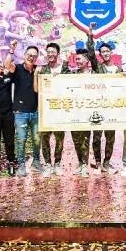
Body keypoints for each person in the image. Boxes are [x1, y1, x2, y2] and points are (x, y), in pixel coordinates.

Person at [4, 40, 41, 177]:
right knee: (21, 140)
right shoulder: (18, 68)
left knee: (37, 139)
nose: (31, 57)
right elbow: (7, 65)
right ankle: (21, 165)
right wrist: (11, 50)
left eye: (34, 56)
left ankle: (36, 162)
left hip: (36, 111)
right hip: (20, 112)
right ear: (25, 55)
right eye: (29, 54)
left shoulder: (38, 70)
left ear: (37, 57)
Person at [35, 42, 70, 176]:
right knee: (45, 138)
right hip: (45, 110)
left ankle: (57, 164)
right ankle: (48, 165)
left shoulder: (65, 69)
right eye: (48, 52)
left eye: (53, 52)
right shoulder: (42, 69)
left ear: (58, 53)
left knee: (60, 138)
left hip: (60, 110)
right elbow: (37, 89)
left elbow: (71, 85)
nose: (50, 54)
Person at [69, 25, 99, 177]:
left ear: (87, 60)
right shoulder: (72, 75)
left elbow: (92, 53)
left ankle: (85, 165)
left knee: (86, 138)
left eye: (79, 59)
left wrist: (90, 35)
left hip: (90, 111)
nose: (77, 62)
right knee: (76, 139)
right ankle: (80, 163)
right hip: (75, 111)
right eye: (76, 60)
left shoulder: (95, 73)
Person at [92, 42, 121, 174]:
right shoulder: (98, 67)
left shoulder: (118, 70)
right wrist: (90, 36)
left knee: (110, 137)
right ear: (100, 55)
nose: (105, 53)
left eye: (107, 51)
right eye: (102, 52)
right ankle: (98, 163)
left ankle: (107, 162)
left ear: (111, 52)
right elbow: (91, 55)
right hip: (98, 106)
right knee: (96, 137)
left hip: (112, 108)